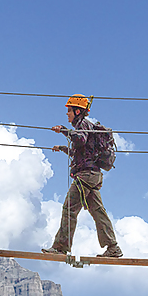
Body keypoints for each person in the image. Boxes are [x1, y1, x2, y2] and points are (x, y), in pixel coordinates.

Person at [42, 94, 123, 258]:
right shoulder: (85, 126)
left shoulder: (83, 124)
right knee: (98, 212)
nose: (67, 114)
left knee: (69, 208)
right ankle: (113, 247)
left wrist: (63, 131)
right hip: (93, 175)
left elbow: (79, 140)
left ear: (78, 111)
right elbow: (79, 152)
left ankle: (60, 247)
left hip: (85, 176)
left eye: (69, 111)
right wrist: (63, 148)